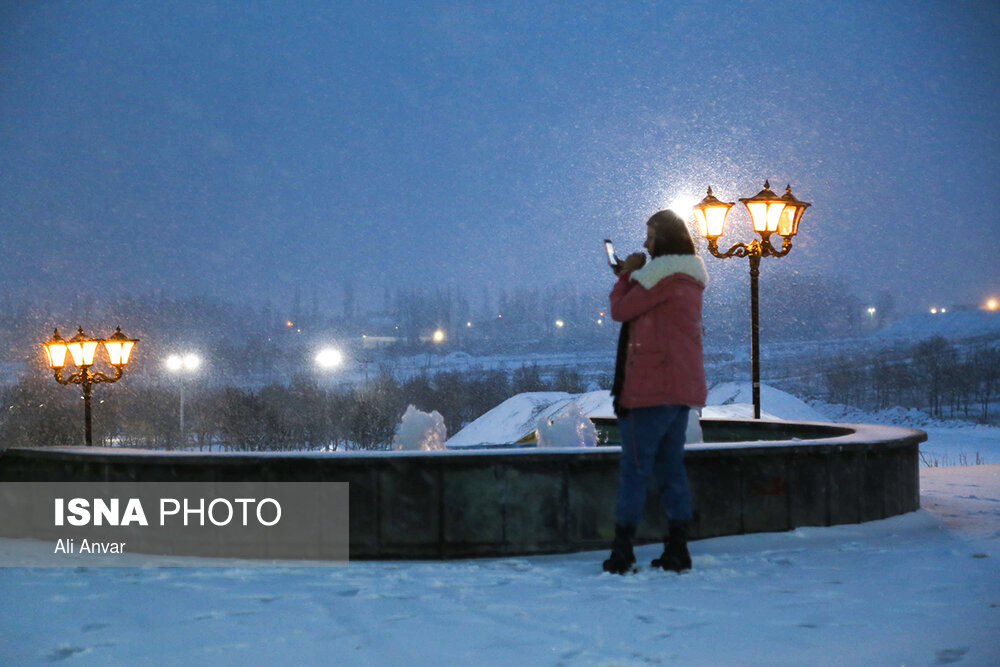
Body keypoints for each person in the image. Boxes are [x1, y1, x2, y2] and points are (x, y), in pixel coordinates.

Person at [603, 210, 709, 574]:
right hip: (681, 389)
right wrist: (633, 276)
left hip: (650, 388)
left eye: (649, 236)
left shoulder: (657, 278)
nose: (645, 243)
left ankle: (622, 551)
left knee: (634, 469)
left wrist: (627, 274)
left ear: (662, 239)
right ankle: (678, 548)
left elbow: (620, 310)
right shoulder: (689, 278)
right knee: (670, 469)